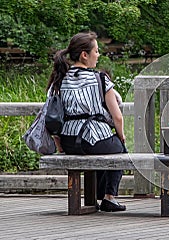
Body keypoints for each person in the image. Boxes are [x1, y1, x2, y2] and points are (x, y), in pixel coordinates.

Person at [46, 31, 127, 212]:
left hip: (69, 141)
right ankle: (108, 197)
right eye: (96, 51)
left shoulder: (58, 80)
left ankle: (97, 197)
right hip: (94, 138)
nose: (98, 55)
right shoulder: (99, 79)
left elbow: (51, 118)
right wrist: (121, 136)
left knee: (106, 149)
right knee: (120, 150)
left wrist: (59, 144)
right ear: (84, 55)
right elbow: (118, 117)